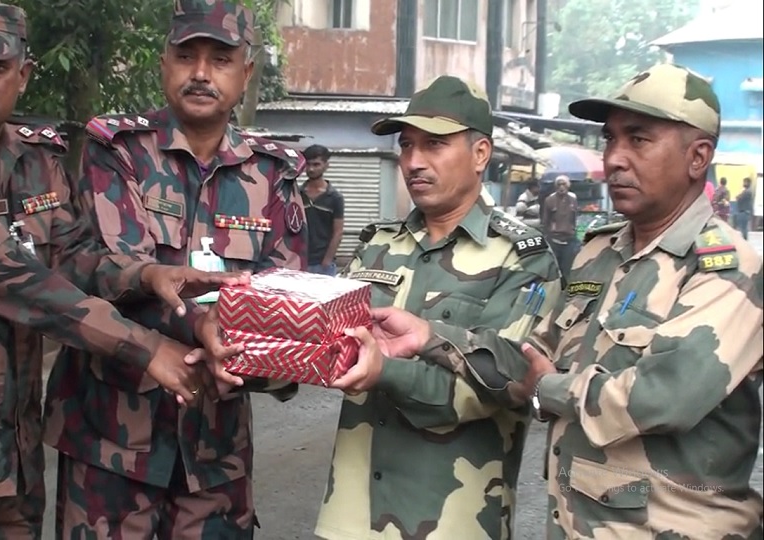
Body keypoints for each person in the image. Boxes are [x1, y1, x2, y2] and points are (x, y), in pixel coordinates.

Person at [0, 3, 246, 538]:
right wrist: (147, 347)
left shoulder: (37, 160)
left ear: (23, 74)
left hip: (11, 459)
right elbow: (12, 278)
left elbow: (72, 257)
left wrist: (147, 276)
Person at [358, 63, 764, 538]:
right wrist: (431, 336)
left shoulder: (726, 269)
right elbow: (530, 358)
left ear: (698, 158)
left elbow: (663, 400)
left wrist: (546, 389)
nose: (614, 158)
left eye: (638, 139)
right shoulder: (599, 254)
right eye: (610, 138)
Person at [43, 1, 307, 538]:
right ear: (164, 63)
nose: (202, 73)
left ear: (246, 73)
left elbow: (285, 299)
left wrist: (261, 357)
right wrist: (199, 322)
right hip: (111, 443)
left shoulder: (273, 173)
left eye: (221, 59)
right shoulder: (117, 150)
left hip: (216, 454)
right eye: (187, 56)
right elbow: (104, 270)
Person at [314, 75, 563, 540]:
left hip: (453, 521)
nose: (413, 161)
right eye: (407, 145)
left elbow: (505, 383)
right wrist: (255, 344)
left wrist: (385, 371)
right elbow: (322, 345)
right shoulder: (377, 246)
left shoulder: (521, 259)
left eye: (434, 144)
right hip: (350, 516)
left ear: (481, 153)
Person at [301, 144, 345, 276]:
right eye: (308, 164)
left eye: (316, 164)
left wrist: (327, 260)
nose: (311, 169)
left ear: (326, 165)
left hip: (323, 264)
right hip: (299, 261)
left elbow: (338, 232)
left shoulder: (335, 197)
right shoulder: (297, 194)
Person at [542, 175, 578, 279]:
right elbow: (545, 221)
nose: (561, 187)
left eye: (564, 184)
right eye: (559, 185)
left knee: (567, 269)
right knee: (554, 269)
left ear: (568, 186)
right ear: (556, 186)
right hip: (554, 240)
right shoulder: (550, 200)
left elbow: (574, 218)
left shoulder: (573, 199)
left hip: (569, 240)